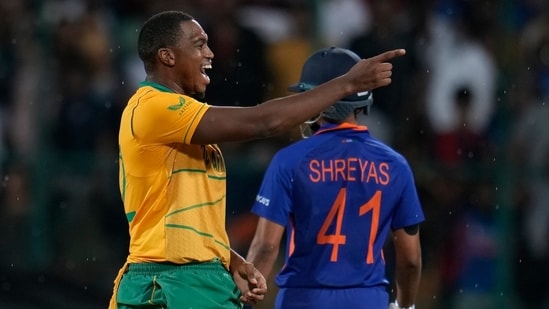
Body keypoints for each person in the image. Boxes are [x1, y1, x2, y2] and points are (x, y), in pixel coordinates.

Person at [109, 11, 406, 309]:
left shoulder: (178, 117)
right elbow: (264, 122)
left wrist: (229, 259)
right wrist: (346, 84)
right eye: (199, 45)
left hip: (197, 279)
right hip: (170, 282)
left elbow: (183, 217)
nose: (210, 54)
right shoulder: (153, 108)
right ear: (167, 57)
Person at [246, 47, 423, 309]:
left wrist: (244, 303)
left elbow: (265, 247)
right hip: (367, 299)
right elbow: (410, 259)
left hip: (303, 299)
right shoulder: (395, 165)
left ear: (315, 99)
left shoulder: (289, 160)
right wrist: (405, 305)